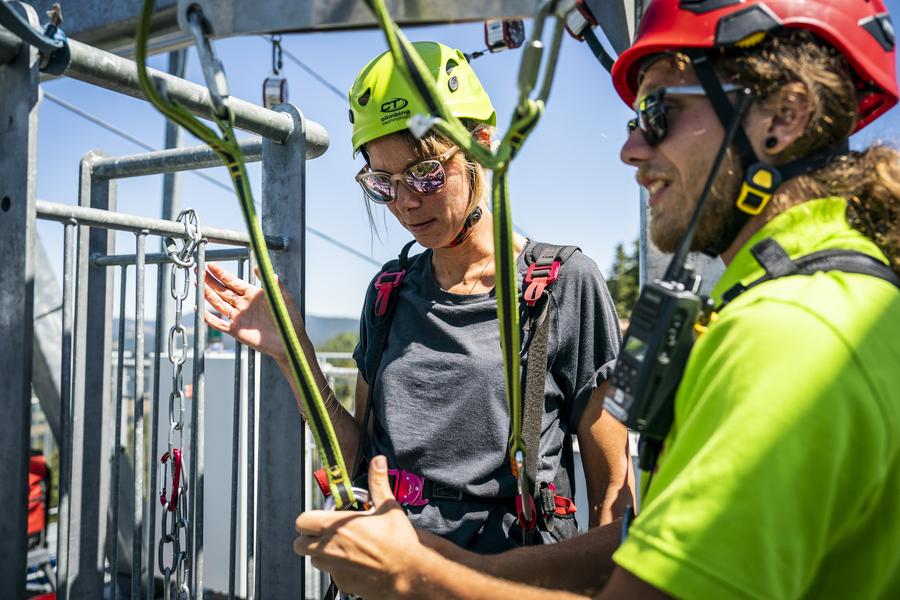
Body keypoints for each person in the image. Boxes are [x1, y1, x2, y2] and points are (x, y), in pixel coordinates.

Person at [292, 0, 900, 598]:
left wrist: (420, 577)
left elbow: (624, 523)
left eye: (658, 112)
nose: (631, 148)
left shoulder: (794, 334)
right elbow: (643, 544)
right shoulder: (812, 304)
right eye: (383, 183)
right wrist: (443, 565)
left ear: (785, 115)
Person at [203, 40, 632, 553]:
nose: (405, 202)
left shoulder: (563, 284)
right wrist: (292, 350)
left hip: (506, 578)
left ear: (481, 146)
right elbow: (359, 458)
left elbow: (612, 496)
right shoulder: (389, 293)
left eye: (425, 174)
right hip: (390, 573)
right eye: (382, 183)